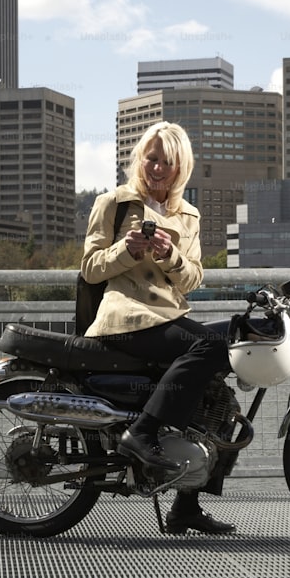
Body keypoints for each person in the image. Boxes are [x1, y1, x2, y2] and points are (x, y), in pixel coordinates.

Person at [80, 121, 234, 535]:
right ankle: (142, 432)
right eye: (152, 158)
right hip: (124, 317)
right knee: (217, 348)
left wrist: (170, 256)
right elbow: (91, 270)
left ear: (181, 166)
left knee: (221, 389)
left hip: (168, 317)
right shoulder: (114, 203)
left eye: (168, 161)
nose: (158, 168)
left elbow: (193, 280)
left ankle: (187, 505)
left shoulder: (189, 214)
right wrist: (126, 250)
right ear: (140, 160)